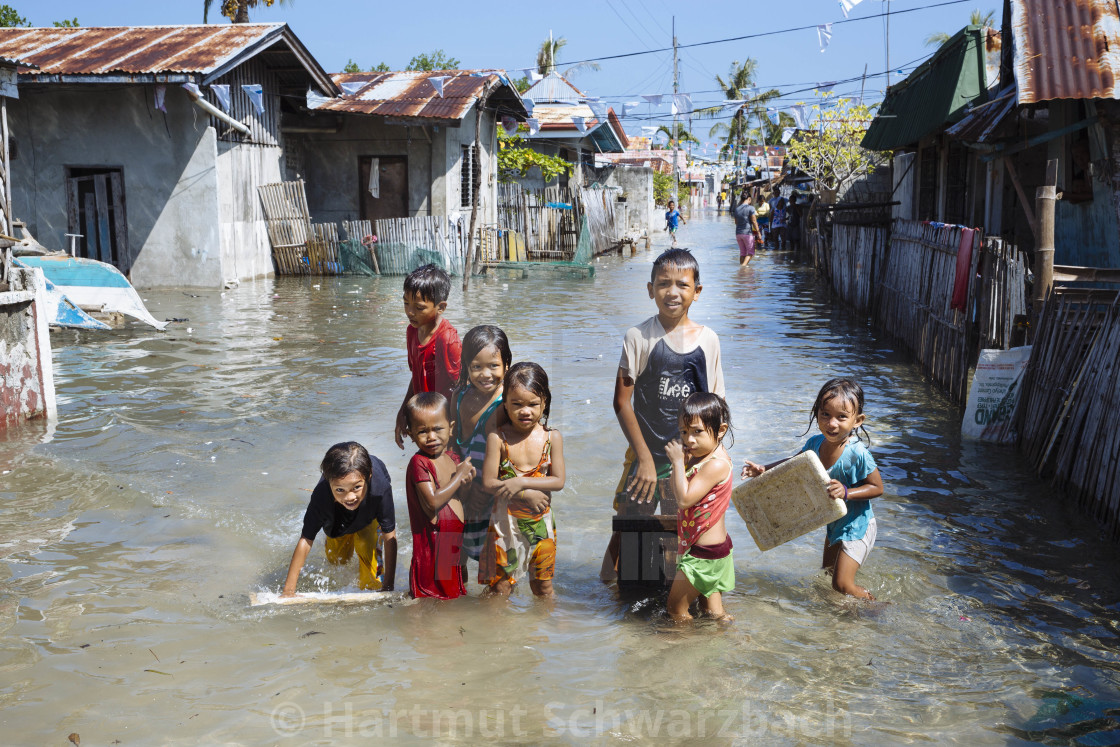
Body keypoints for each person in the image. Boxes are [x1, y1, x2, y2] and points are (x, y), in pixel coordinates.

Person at [600, 248, 725, 581]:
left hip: (689, 460)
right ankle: (605, 596)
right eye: (663, 283)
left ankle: (672, 595)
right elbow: (622, 402)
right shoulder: (639, 337)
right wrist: (643, 459)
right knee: (627, 526)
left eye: (682, 285)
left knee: (682, 533)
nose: (672, 292)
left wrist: (716, 459)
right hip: (645, 454)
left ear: (696, 292)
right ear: (650, 289)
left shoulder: (709, 340)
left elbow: (717, 405)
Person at [741, 378, 884, 600]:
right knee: (826, 575)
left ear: (858, 420)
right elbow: (792, 464)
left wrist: (847, 492)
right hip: (835, 521)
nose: (832, 423)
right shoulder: (816, 444)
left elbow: (877, 487)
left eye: (842, 417)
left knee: (841, 584)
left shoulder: (858, 454)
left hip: (859, 526)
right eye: (825, 414)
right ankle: (833, 616)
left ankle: (876, 607)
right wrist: (763, 469)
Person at [480, 362, 565, 597]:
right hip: (505, 525)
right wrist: (523, 493)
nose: (525, 411)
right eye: (516, 404)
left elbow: (558, 481)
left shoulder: (552, 438)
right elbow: (488, 483)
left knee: (544, 587)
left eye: (533, 404)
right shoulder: (498, 438)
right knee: (501, 587)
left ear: (544, 403)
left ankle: (544, 631)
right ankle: (496, 632)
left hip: (542, 525)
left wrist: (522, 482)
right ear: (505, 404)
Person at [282, 442, 397, 596]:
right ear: (329, 483)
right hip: (336, 514)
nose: (349, 497)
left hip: (368, 511)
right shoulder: (321, 496)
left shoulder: (380, 490)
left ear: (368, 476)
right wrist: (288, 591)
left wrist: (388, 586)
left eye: (356, 487)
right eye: (340, 489)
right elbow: (306, 539)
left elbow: (389, 535)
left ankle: (373, 577)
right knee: (337, 560)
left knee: (371, 576)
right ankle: (341, 535)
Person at [664, 392, 735, 622]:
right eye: (684, 432)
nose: (689, 440)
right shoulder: (706, 456)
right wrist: (683, 464)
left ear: (721, 430)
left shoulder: (715, 464)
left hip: (704, 556)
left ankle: (685, 652)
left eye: (697, 432)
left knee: (676, 611)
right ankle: (731, 641)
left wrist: (676, 462)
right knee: (713, 614)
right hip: (712, 550)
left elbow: (684, 499)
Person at [452, 325, 512, 574]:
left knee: (494, 576)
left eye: (494, 366)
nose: (485, 374)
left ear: (507, 365)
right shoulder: (459, 397)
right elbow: (449, 445)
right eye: (476, 367)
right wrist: (460, 489)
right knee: (452, 569)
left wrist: (485, 493)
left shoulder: (506, 406)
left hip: (491, 502)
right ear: (466, 366)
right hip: (460, 495)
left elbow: (513, 459)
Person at [404, 392, 475, 599]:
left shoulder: (451, 457)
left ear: (451, 428)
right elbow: (433, 502)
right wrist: (459, 476)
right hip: (433, 548)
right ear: (411, 434)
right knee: (434, 600)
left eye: (437, 429)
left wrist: (467, 482)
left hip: (452, 542)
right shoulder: (419, 463)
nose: (431, 437)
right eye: (422, 431)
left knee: (454, 596)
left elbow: (459, 497)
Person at [394, 264, 461, 449]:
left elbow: (462, 387)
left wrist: (455, 429)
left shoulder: (447, 339)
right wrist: (403, 412)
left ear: (440, 307)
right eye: (406, 303)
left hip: (445, 425)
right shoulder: (412, 331)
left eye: (419, 307)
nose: (409, 312)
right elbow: (416, 375)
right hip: (424, 420)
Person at [733, 191, 762, 267]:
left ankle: (741, 271)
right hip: (747, 233)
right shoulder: (751, 208)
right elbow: (754, 221)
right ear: (749, 199)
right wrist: (758, 232)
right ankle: (743, 267)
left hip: (738, 234)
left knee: (742, 253)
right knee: (751, 253)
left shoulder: (737, 209)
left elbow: (736, 222)